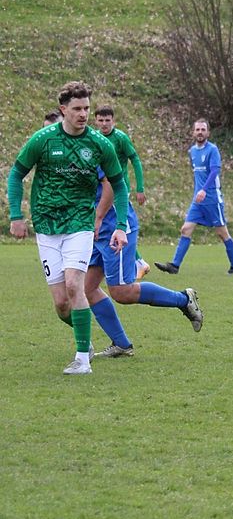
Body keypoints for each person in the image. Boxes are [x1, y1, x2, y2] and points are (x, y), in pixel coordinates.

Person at [6, 81, 130, 375]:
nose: (84, 114)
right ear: (63, 110)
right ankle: (85, 341)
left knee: (75, 285)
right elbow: (16, 174)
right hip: (47, 226)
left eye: (86, 108)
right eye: (77, 109)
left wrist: (120, 225)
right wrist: (16, 216)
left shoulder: (100, 144)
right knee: (62, 304)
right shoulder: (43, 139)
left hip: (80, 224)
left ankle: (82, 361)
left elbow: (119, 185)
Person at [85, 164, 204, 359]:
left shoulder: (93, 151)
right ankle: (121, 344)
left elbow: (112, 185)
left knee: (121, 291)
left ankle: (184, 299)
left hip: (115, 227)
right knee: (88, 288)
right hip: (94, 230)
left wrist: (99, 217)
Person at [155, 118, 233, 275]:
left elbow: (214, 171)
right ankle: (174, 266)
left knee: (222, 233)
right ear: (193, 132)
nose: (200, 132)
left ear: (208, 133)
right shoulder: (192, 151)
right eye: (197, 130)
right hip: (198, 200)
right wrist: (198, 192)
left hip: (212, 199)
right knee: (185, 229)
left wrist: (204, 190)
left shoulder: (212, 150)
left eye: (203, 130)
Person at [94, 105, 151, 279]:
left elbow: (135, 159)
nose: (104, 124)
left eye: (107, 120)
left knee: (121, 227)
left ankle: (138, 262)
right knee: (112, 226)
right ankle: (137, 262)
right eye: (101, 120)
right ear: (96, 121)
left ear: (113, 121)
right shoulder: (94, 138)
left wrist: (140, 188)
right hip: (103, 189)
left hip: (119, 189)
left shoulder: (120, 138)